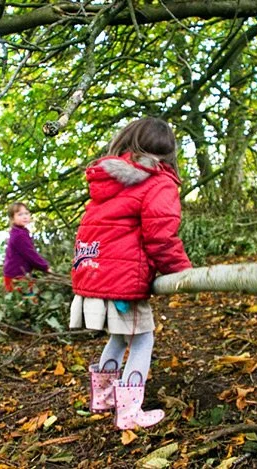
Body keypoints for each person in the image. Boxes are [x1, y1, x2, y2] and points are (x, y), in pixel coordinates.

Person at [69, 117, 192, 430]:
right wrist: (182, 271)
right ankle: (129, 413)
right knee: (142, 340)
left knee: (120, 337)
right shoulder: (158, 181)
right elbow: (161, 236)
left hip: (95, 273)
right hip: (124, 280)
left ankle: (105, 398)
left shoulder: (109, 181)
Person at [3, 202, 50, 293]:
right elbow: (30, 254)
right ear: (12, 219)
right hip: (16, 276)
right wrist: (45, 267)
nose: (24, 216)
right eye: (20, 214)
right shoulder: (19, 235)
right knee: (26, 300)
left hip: (18, 274)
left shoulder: (20, 231)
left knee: (28, 297)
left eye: (26, 213)